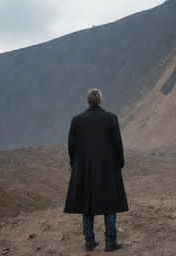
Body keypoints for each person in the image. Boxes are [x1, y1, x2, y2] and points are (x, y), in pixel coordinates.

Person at [63, 88, 129, 252]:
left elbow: (71, 145)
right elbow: (117, 143)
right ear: (100, 100)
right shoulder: (111, 118)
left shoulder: (76, 120)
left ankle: (89, 241)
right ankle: (110, 241)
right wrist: (119, 163)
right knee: (110, 203)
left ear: (88, 101)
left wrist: (76, 164)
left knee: (87, 204)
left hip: (84, 168)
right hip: (108, 168)